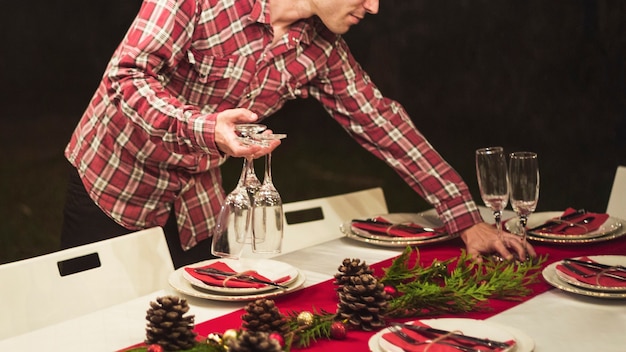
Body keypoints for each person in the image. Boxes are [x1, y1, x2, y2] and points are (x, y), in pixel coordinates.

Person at [61, 0, 536, 268]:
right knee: (97, 326)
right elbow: (126, 77)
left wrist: (462, 216)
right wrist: (207, 127)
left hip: (196, 199)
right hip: (112, 184)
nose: (373, 6)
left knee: (194, 325)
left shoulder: (322, 49)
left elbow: (382, 121)